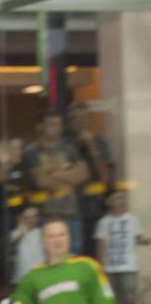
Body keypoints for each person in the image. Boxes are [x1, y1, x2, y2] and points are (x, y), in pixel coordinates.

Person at [24, 110, 89, 255]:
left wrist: (53, 174)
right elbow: (41, 180)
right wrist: (69, 176)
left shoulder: (70, 149)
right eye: (52, 124)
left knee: (74, 260)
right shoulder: (33, 151)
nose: (57, 128)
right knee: (50, 258)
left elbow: (83, 175)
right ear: (40, 127)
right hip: (46, 215)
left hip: (72, 213)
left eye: (59, 124)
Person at [66, 101, 115, 256]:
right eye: (75, 119)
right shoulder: (64, 146)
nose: (80, 123)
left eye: (84, 118)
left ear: (90, 121)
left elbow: (106, 178)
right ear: (69, 123)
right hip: (69, 209)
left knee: (94, 256)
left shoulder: (100, 143)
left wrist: (92, 146)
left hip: (94, 210)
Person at [94, 189, 150, 304]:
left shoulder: (133, 219)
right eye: (117, 198)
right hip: (110, 267)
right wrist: (100, 266)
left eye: (122, 198)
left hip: (129, 266)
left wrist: (147, 240)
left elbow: (139, 238)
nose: (120, 201)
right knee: (112, 298)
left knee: (130, 298)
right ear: (109, 201)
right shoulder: (103, 222)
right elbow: (100, 245)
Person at [9, 206, 44, 283]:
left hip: (40, 275)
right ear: (22, 218)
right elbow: (11, 249)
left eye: (34, 216)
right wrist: (22, 232)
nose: (31, 219)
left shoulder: (41, 232)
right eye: (28, 217)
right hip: (22, 277)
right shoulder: (16, 233)